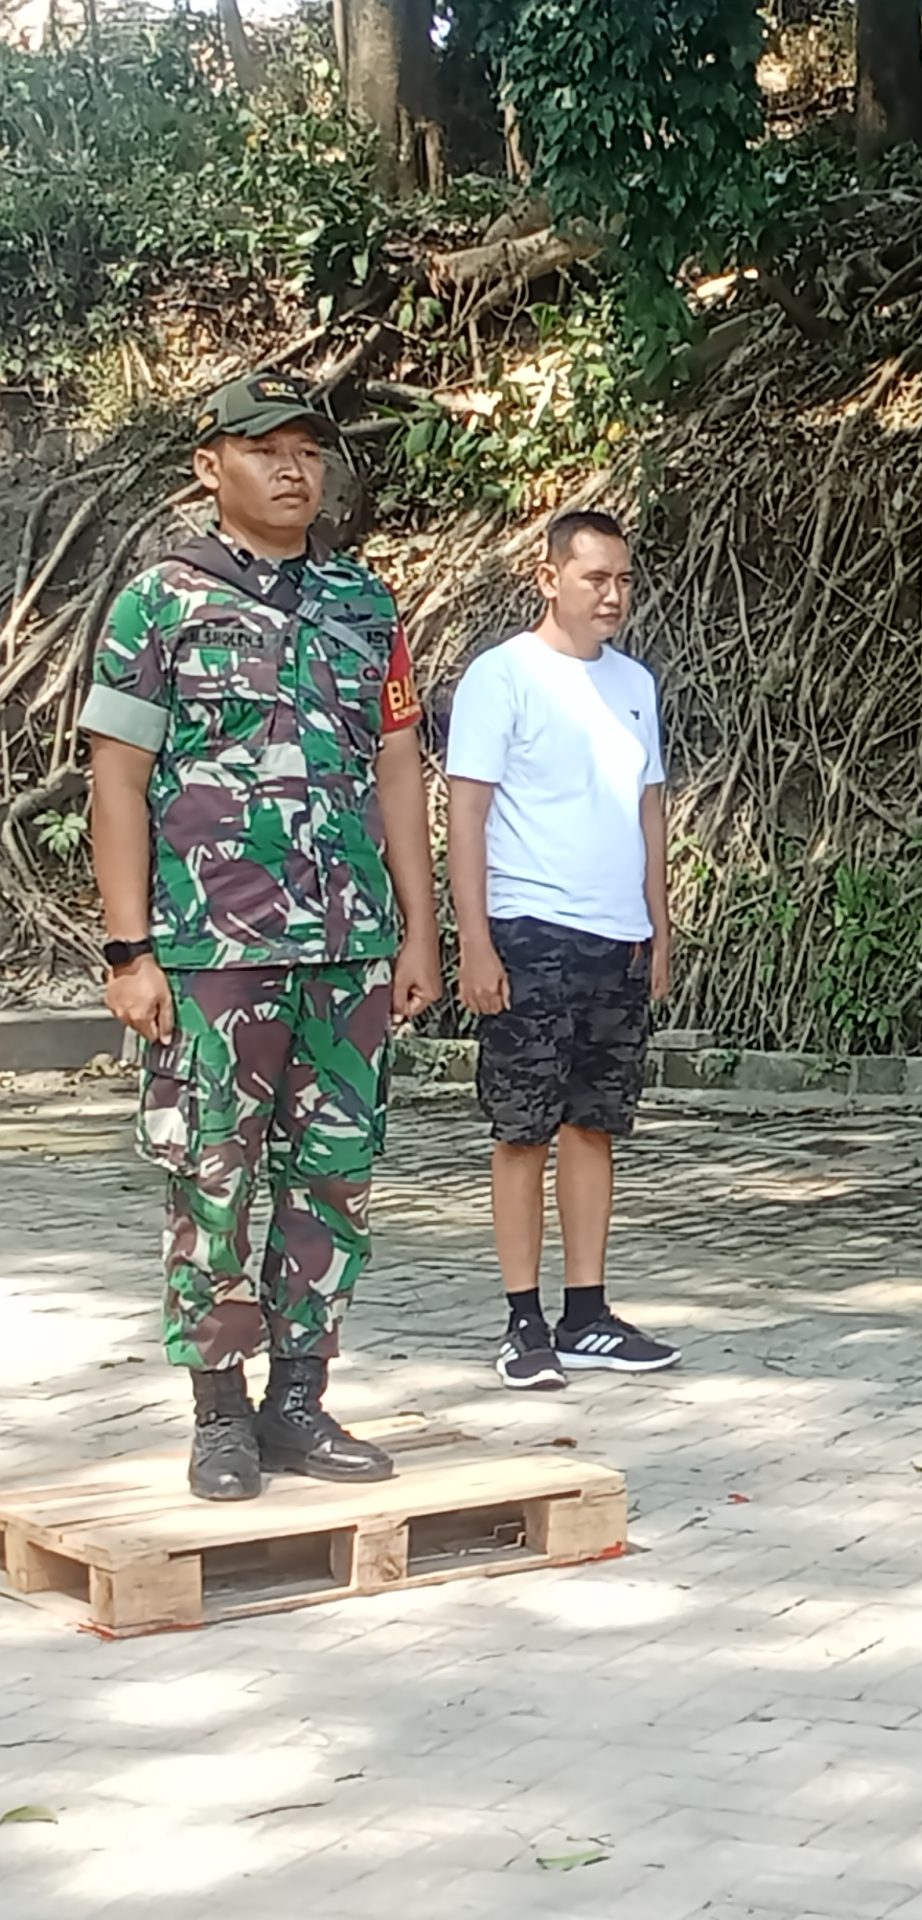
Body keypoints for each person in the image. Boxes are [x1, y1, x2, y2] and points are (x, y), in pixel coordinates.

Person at [80, 371, 442, 1502]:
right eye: (264, 448)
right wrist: (129, 951)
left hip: (346, 953)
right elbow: (117, 781)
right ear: (210, 466)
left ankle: (300, 1398)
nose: (293, 468)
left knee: (334, 1175)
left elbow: (394, 771)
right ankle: (220, 1413)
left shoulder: (363, 605)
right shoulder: (160, 602)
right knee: (216, 1176)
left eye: (308, 450)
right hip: (210, 953)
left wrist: (418, 933)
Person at [445, 510, 681, 1391]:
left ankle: (589, 1312)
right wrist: (474, 939)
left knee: (596, 1124)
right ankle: (523, 1320)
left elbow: (648, 805)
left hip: (616, 936)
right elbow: (465, 813)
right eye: (595, 578)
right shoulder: (501, 677)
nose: (613, 595)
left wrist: (657, 922)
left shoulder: (634, 684)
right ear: (548, 578)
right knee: (522, 1129)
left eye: (623, 579)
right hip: (530, 927)